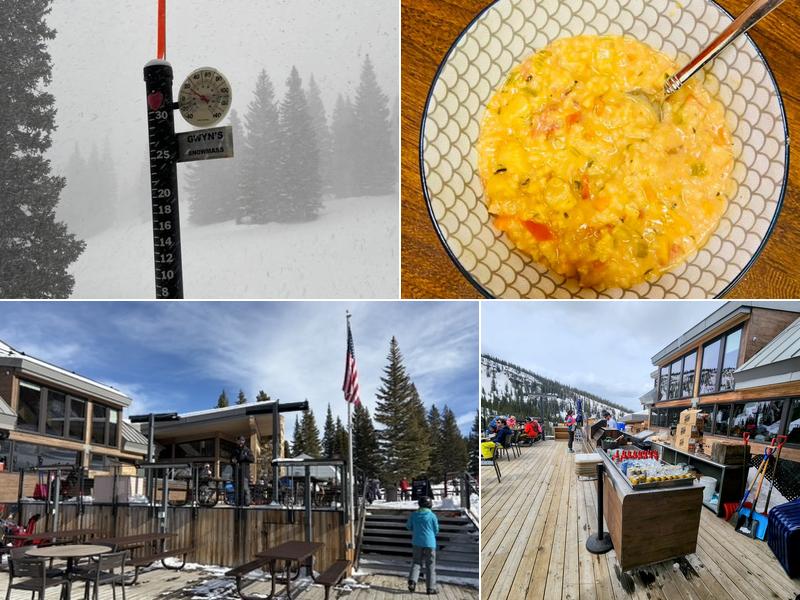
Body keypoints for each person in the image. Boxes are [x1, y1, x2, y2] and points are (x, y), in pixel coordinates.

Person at [406, 496, 439, 594]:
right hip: (430, 543)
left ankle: (412, 581)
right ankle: (430, 588)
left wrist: (416, 530)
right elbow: (436, 530)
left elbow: (408, 526)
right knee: (430, 565)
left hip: (417, 542)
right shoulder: (432, 515)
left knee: (416, 562)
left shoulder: (414, 515)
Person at [231, 436, 254, 506]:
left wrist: (245, 457)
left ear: (244, 441)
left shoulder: (247, 450)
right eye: (239, 440)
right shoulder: (235, 450)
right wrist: (233, 461)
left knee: (245, 488)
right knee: (237, 488)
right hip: (237, 472)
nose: (241, 442)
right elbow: (231, 459)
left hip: (244, 473)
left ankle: (247, 502)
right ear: (237, 441)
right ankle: (237, 502)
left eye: (242, 440)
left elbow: (252, 459)